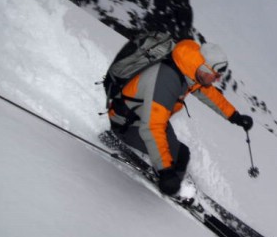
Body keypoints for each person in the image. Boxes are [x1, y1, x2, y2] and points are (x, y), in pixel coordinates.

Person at [107, 38, 253, 196]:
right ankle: (173, 186)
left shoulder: (189, 70)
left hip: (145, 114)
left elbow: (209, 94)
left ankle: (173, 174)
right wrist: (165, 172)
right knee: (178, 157)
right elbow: (151, 128)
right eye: (216, 75)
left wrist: (235, 116)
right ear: (205, 68)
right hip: (128, 123)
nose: (217, 80)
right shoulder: (167, 80)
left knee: (182, 154)